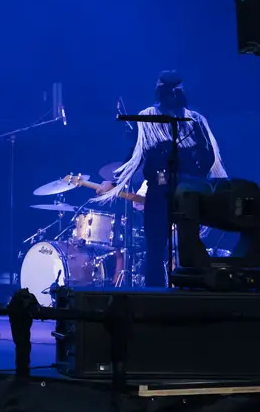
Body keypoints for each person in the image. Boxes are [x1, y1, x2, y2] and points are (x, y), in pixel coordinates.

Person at [94, 71, 227, 288]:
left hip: (188, 191)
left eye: (176, 91)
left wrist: (195, 179)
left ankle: (191, 289)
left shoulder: (195, 120)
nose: (173, 95)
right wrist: (116, 182)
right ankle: (155, 294)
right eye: (169, 91)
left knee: (188, 243)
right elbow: (135, 155)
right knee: (155, 248)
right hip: (159, 189)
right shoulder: (147, 117)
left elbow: (209, 156)